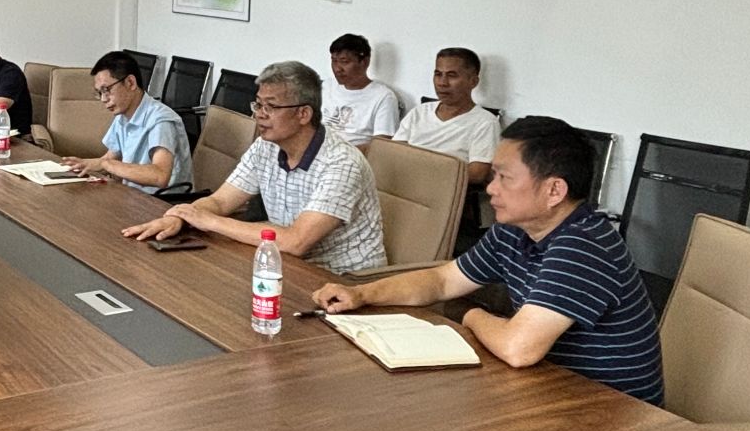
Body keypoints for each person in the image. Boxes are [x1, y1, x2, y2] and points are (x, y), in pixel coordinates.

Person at [313, 116, 663, 431]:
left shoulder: (583, 245)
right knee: (414, 425)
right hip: (551, 396)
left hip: (611, 428)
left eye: (503, 177)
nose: (490, 188)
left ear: (553, 190)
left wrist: (474, 315)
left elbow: (520, 348)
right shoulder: (517, 231)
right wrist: (364, 294)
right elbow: (442, 280)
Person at [121, 61, 385, 276]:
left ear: (303, 114)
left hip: (344, 280)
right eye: (258, 104)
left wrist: (210, 221)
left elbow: (296, 241)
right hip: (284, 264)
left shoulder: (341, 163)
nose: (259, 114)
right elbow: (220, 202)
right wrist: (179, 218)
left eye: (271, 107)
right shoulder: (265, 147)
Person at [60, 51, 192, 193]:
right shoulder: (123, 116)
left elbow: (160, 176)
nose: (103, 99)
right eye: (99, 93)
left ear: (130, 83)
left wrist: (106, 164)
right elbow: (110, 157)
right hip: (134, 197)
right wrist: (84, 164)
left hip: (164, 202)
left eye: (106, 90)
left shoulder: (161, 120)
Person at [393, 47, 501, 184]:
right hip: (402, 183)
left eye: (452, 75)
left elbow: (477, 173)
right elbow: (394, 152)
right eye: (438, 74)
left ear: (473, 82)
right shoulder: (420, 112)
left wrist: (424, 172)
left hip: (442, 188)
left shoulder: (485, 122)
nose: (442, 83)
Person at [324, 34, 401, 146]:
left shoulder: (383, 97)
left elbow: (381, 145)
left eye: (344, 61)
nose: (337, 68)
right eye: (334, 61)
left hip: (351, 154)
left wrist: (339, 152)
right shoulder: (326, 86)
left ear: (364, 62)